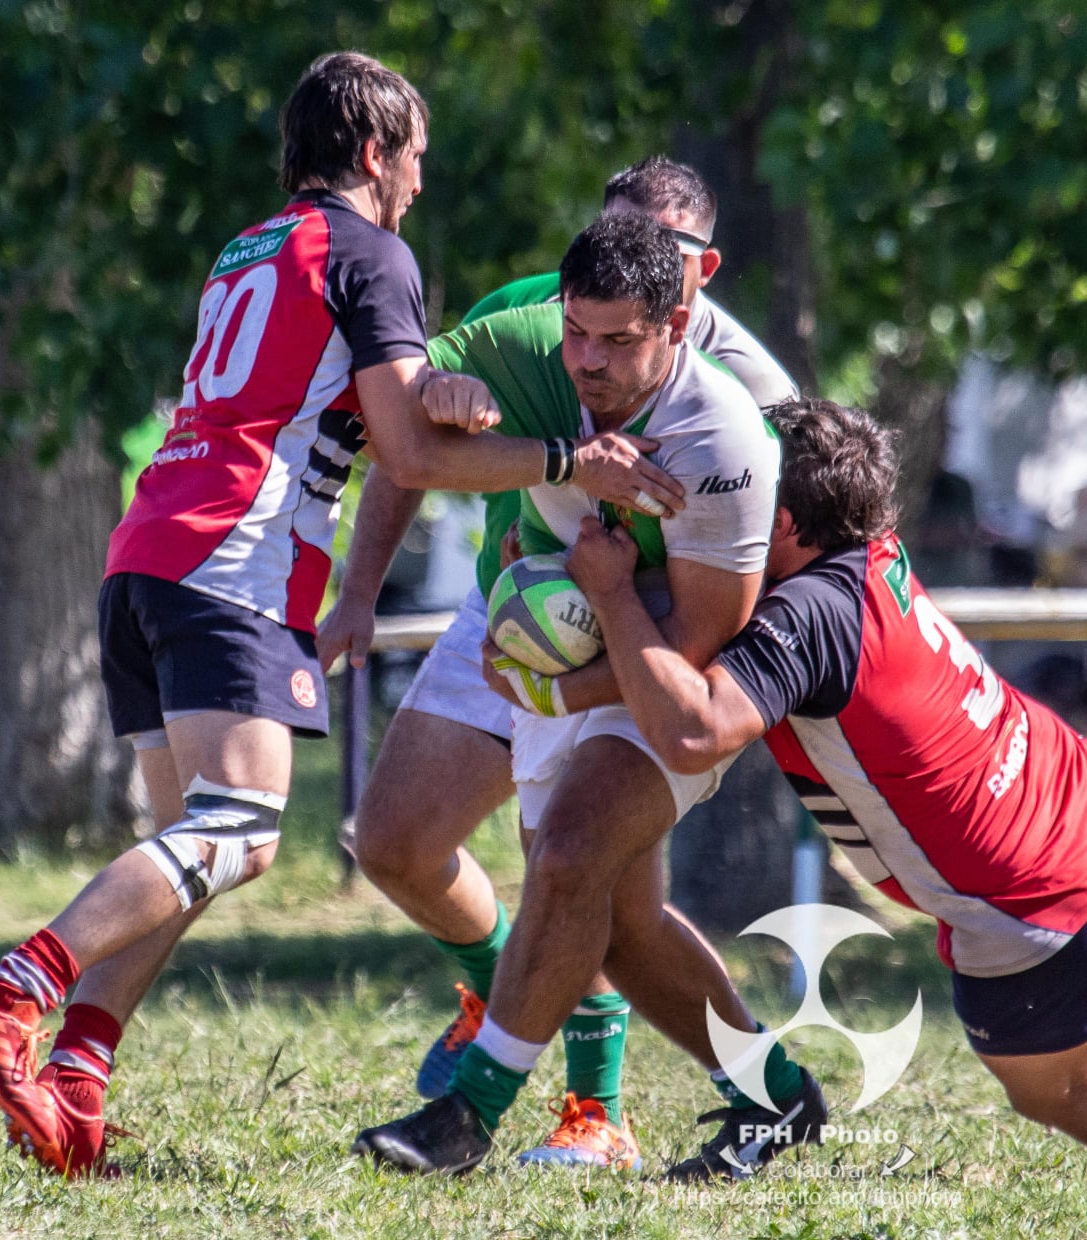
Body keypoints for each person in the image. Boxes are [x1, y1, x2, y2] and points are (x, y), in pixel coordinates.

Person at [0, 51, 682, 1179]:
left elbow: (361, 393)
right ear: (374, 152)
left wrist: (435, 386)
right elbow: (413, 452)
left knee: (184, 848)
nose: (421, 180)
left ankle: (76, 1077)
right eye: (415, 156)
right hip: (233, 562)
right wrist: (575, 457)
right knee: (239, 831)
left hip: (146, 556)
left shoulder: (252, 247)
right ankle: (13, 989)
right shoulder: (372, 250)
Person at [556, 397, 1087, 1186]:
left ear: (778, 521)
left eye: (730, 486)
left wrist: (611, 594)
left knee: (1058, 1089)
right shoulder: (862, 553)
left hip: (1023, 892)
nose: (709, 501)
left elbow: (694, 727)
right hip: (1080, 797)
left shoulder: (805, 614)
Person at [318, 156, 797, 1169]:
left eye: (615, 339)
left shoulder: (735, 428)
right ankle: (776, 1093)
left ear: (682, 307)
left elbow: (697, 642)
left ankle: (478, 1115)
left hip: (665, 665)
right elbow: (405, 426)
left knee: (571, 856)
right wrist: (442, 390)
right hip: (531, 616)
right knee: (603, 917)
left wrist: (566, 671)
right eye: (576, 330)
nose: (585, 358)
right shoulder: (540, 333)